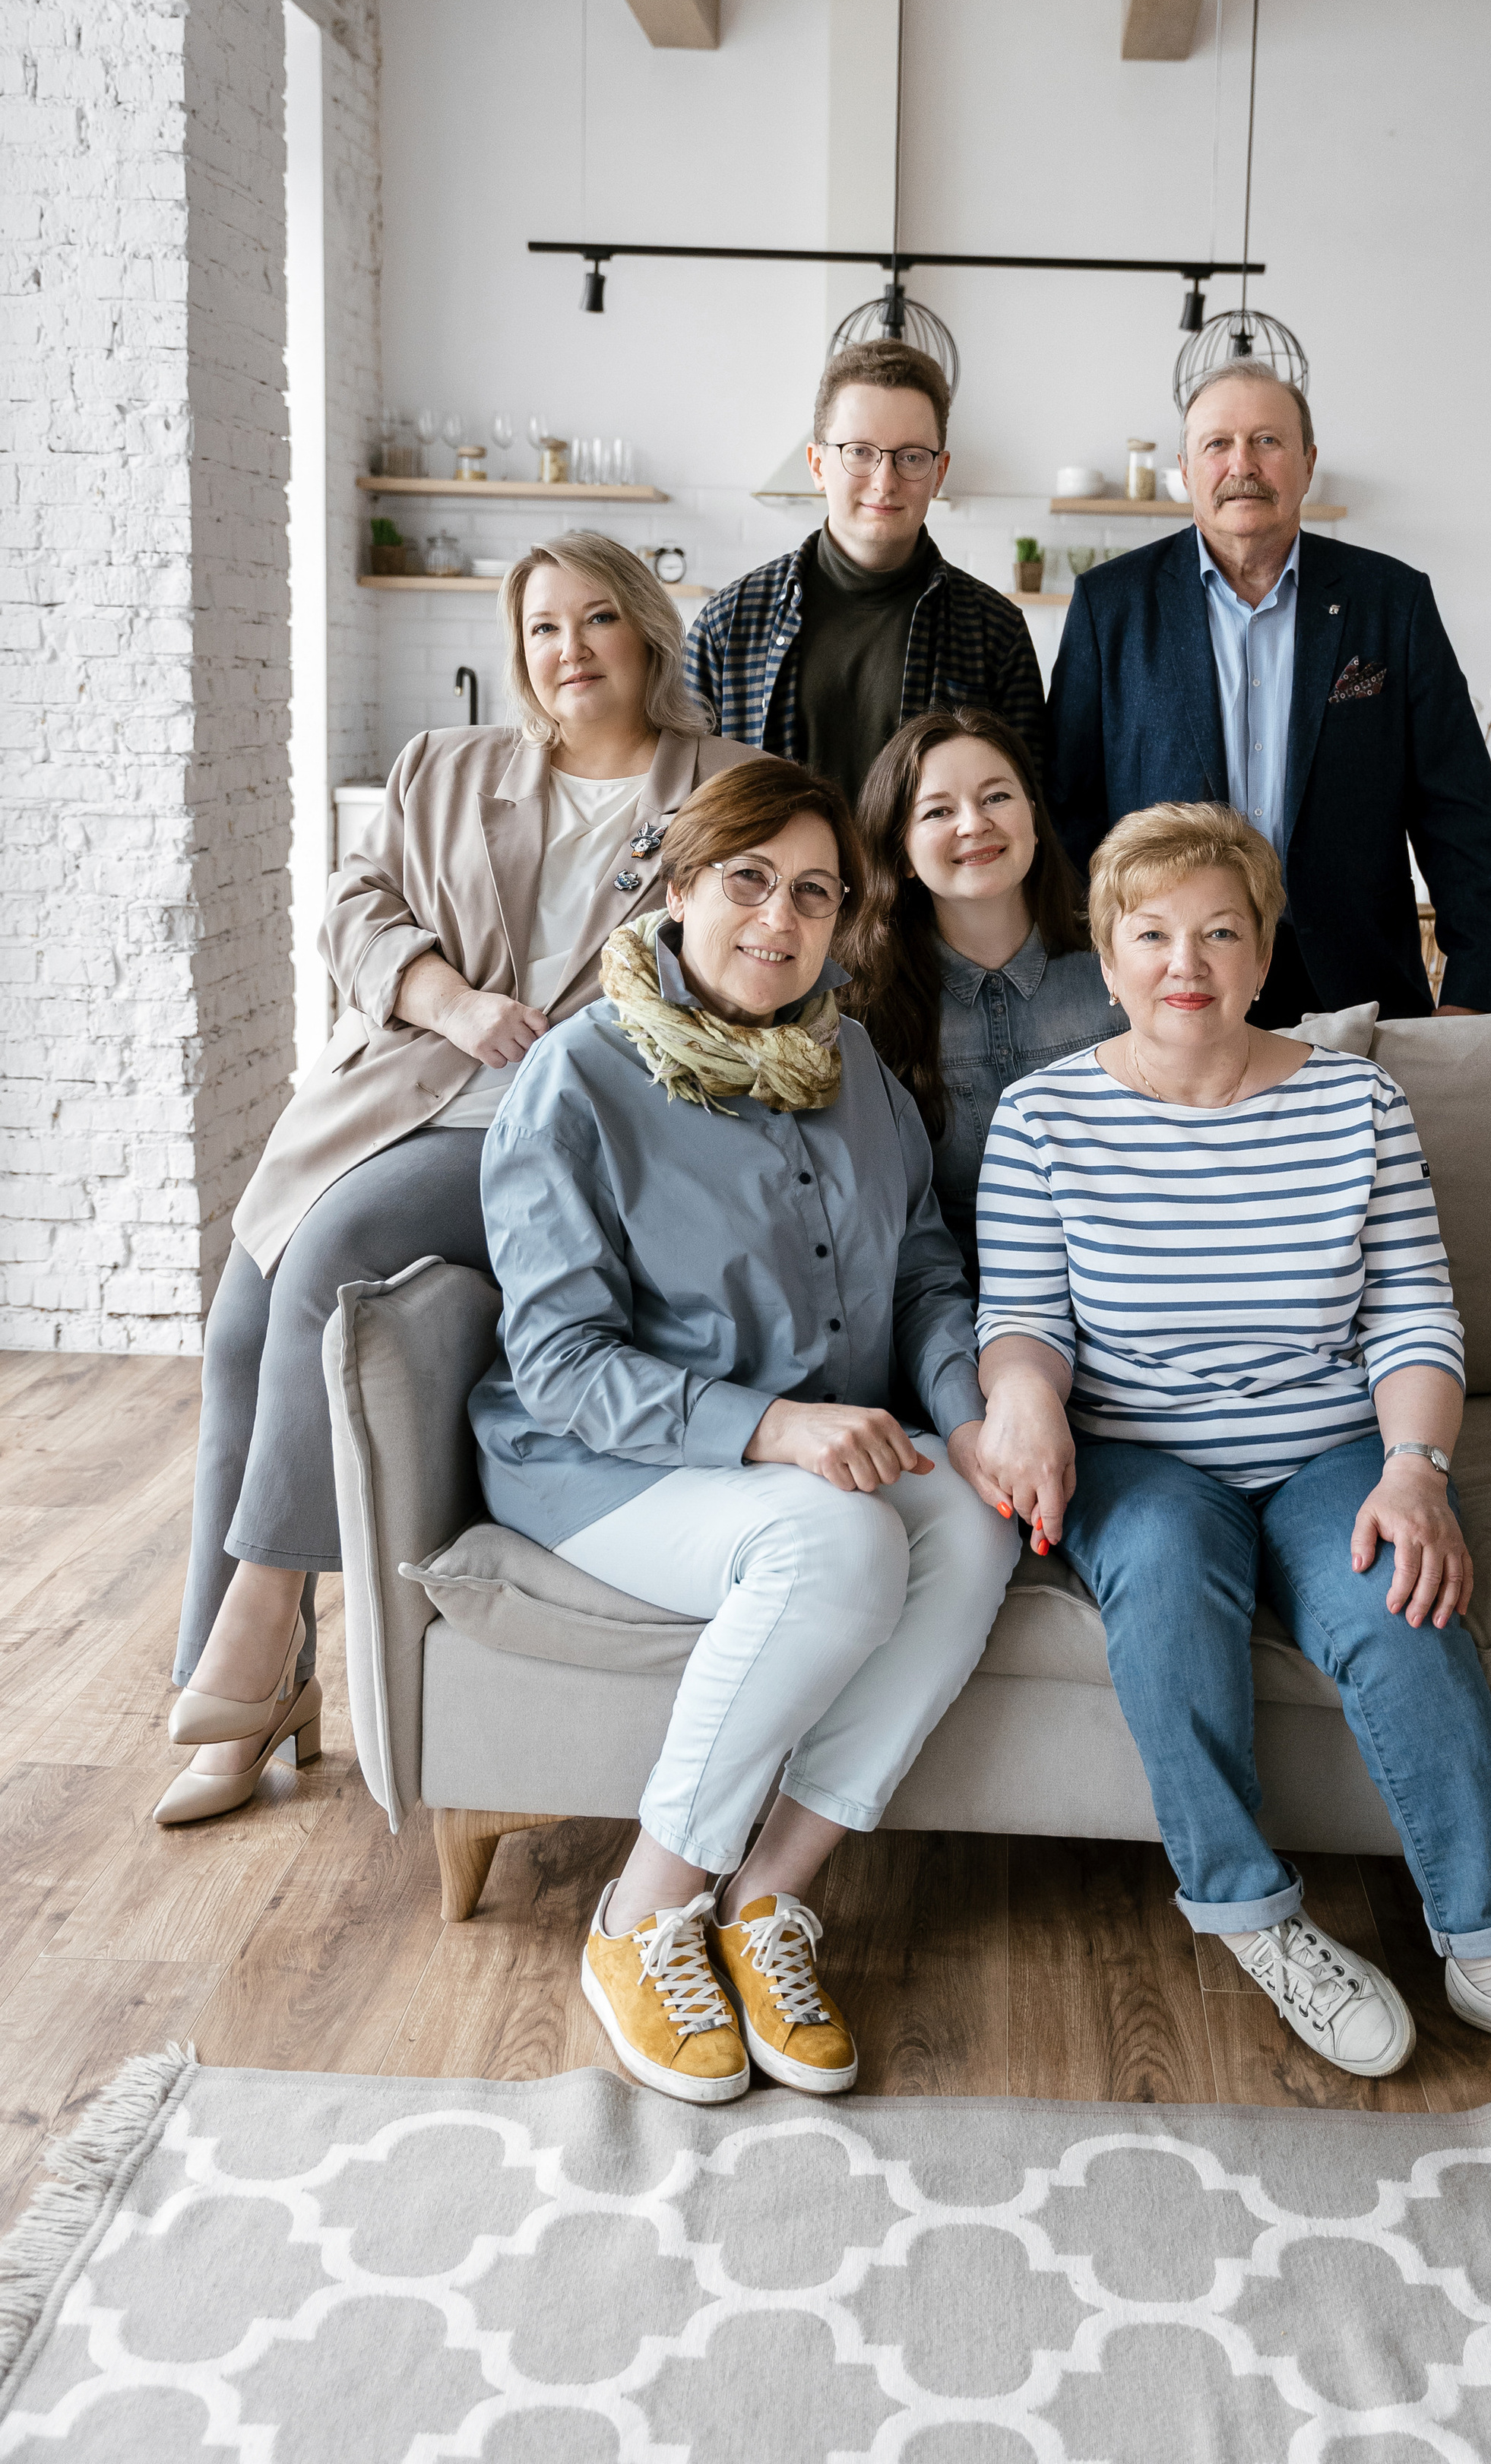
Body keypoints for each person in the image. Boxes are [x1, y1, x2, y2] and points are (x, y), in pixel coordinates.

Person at [972, 802, 1491, 2114]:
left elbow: (1413, 1310)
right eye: (1152, 934)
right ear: (1108, 953)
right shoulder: (1042, 1117)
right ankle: (1252, 1919)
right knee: (1170, 1586)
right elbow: (1024, 1318)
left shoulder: (1355, 1102)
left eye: (1221, 932)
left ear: (1262, 951)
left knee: (1400, 1604)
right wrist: (1021, 1403)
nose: (1186, 962)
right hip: (1138, 1454)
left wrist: (1415, 1468)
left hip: (1326, 1445)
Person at [159, 535, 749, 1828]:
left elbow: (754, 963)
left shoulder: (725, 787)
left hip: (569, 1139)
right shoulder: (448, 766)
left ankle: (258, 1636)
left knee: (331, 1259)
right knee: (242, 1328)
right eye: (544, 627)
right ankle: (248, 1693)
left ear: (647, 633)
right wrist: (448, 996)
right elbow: (354, 907)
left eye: (598, 620)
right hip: (404, 1088)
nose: (570, 650)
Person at [470, 755, 1032, 2107]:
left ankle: (770, 1900)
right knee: (840, 1546)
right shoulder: (575, 1084)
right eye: (748, 883)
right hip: (606, 1462)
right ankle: (644, 1914)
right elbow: (558, 1363)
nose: (778, 923)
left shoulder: (852, 1069)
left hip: (801, 1447)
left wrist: (977, 1418)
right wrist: (774, 1428)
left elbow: (923, 1275)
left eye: (815, 896)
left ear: (847, 922)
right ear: (679, 886)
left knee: (971, 1522)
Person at [1043, 361, 1491, 1026]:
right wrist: (1087, 986)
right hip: (1172, 993)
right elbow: (1069, 817)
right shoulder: (1110, 606)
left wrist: (1473, 994)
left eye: (1268, 441)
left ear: (1307, 461)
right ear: (1185, 467)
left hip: (1357, 994)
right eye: (1218, 444)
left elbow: (1461, 814)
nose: (1244, 464)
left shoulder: (1392, 602)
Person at [684, 338, 1046, 803]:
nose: (884, 480)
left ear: (939, 473)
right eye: (859, 451)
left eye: (911, 456)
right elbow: (685, 804)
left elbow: (1028, 810)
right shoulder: (728, 623)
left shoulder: (995, 632)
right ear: (817, 465)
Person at [843, 705, 1125, 1286]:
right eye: (938, 811)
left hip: (1132, 1287)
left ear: (1034, 815)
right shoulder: (863, 1003)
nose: (974, 824)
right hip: (954, 1303)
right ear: (901, 854)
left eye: (997, 797)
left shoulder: (1124, 959)